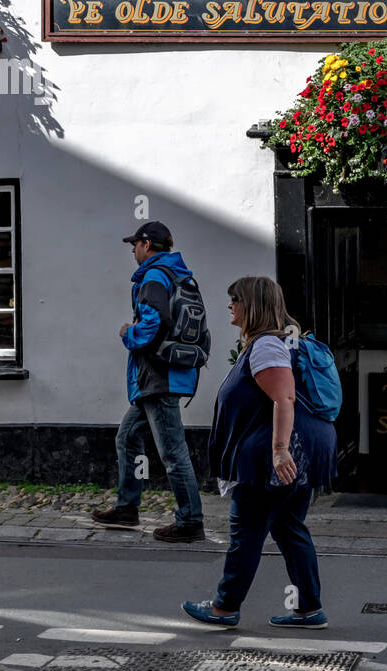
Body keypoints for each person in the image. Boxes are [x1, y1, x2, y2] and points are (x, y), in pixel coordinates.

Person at [182, 276, 336, 629]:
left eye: (235, 298)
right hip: (304, 448)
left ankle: (224, 607)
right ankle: (309, 608)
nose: (230, 305)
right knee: (289, 527)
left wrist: (280, 451)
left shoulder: (267, 345)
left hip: (274, 457)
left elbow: (284, 397)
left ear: (252, 305)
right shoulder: (275, 342)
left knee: (247, 531)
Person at [92, 221, 205, 543]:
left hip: (160, 375)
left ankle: (190, 521)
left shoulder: (155, 276)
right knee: (127, 437)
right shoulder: (177, 274)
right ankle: (127, 507)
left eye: (134, 244)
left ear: (147, 245)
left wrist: (129, 332)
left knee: (172, 452)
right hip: (160, 375)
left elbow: (154, 324)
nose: (132, 250)